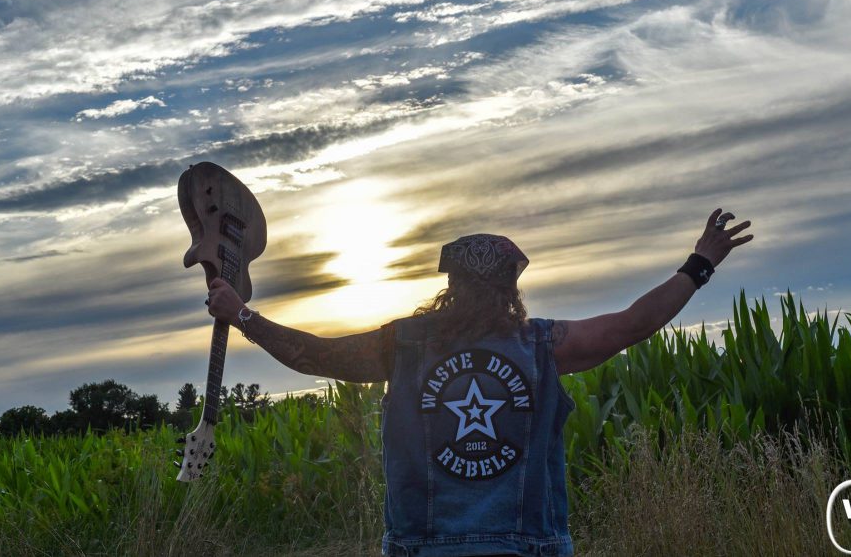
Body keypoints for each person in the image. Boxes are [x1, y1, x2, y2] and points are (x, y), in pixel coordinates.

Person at [206, 207, 753, 556]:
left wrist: (242, 315)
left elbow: (312, 355)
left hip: (422, 547)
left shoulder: (404, 345)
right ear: (511, 289)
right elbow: (632, 324)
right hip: (528, 547)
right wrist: (699, 264)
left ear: (451, 285)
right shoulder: (543, 344)